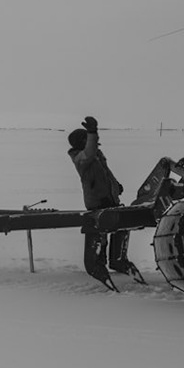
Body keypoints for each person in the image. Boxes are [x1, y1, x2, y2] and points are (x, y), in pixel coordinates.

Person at [68, 116, 142, 287]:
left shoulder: (96, 156)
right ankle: (97, 264)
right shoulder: (81, 158)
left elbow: (106, 173)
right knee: (100, 233)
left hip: (109, 199)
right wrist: (92, 132)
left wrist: (116, 185)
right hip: (97, 202)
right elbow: (89, 151)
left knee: (120, 225)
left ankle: (118, 260)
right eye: (86, 139)